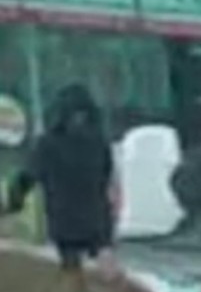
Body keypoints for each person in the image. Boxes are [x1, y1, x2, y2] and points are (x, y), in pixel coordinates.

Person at [6, 85, 118, 278]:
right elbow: (107, 176)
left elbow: (27, 177)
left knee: (71, 269)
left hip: (65, 220)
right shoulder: (99, 142)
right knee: (104, 260)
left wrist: (13, 203)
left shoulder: (48, 145)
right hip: (98, 219)